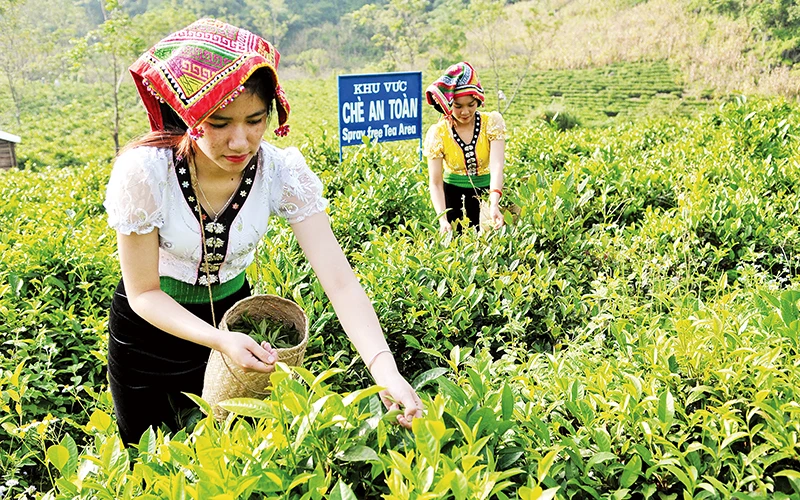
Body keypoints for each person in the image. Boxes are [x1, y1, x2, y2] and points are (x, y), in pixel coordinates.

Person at [103, 18, 422, 445]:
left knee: (232, 455)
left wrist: (387, 373)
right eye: (219, 123)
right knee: (149, 459)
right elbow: (144, 293)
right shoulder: (146, 172)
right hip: (150, 334)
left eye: (255, 120)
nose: (240, 141)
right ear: (189, 114)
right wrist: (219, 341)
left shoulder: (280, 171)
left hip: (237, 323)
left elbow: (340, 282)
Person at [423, 62, 507, 233]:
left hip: (487, 193)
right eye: (458, 106)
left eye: (471, 105)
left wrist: (494, 202)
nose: (465, 112)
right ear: (449, 105)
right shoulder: (439, 132)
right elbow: (436, 182)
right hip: (452, 197)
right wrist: (442, 219)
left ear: (478, 101)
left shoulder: (491, 123)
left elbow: (497, 165)